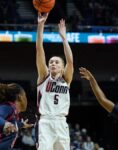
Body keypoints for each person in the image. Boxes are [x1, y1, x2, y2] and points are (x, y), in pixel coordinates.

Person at [36, 12, 74, 150]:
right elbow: (39, 50)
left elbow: (70, 60)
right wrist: (40, 26)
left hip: (61, 122)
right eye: (51, 62)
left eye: (56, 62)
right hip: (46, 122)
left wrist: (64, 39)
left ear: (62, 67)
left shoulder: (66, 79)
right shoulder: (43, 76)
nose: (52, 63)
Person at [0, 83, 33, 150]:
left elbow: (13, 124)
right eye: (25, 96)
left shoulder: (13, 112)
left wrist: (22, 124)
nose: (26, 99)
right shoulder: (8, 107)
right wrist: (5, 124)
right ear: (20, 97)